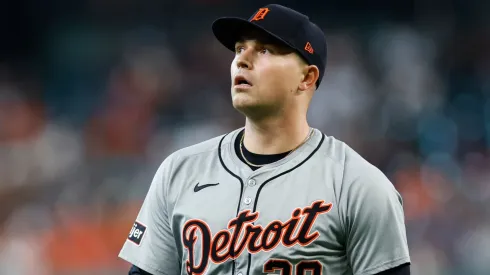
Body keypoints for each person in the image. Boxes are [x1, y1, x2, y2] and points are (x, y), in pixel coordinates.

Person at [119, 4, 411, 275]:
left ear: (307, 78)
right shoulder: (179, 171)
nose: (242, 60)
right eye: (239, 49)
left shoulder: (358, 186)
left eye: (265, 50)